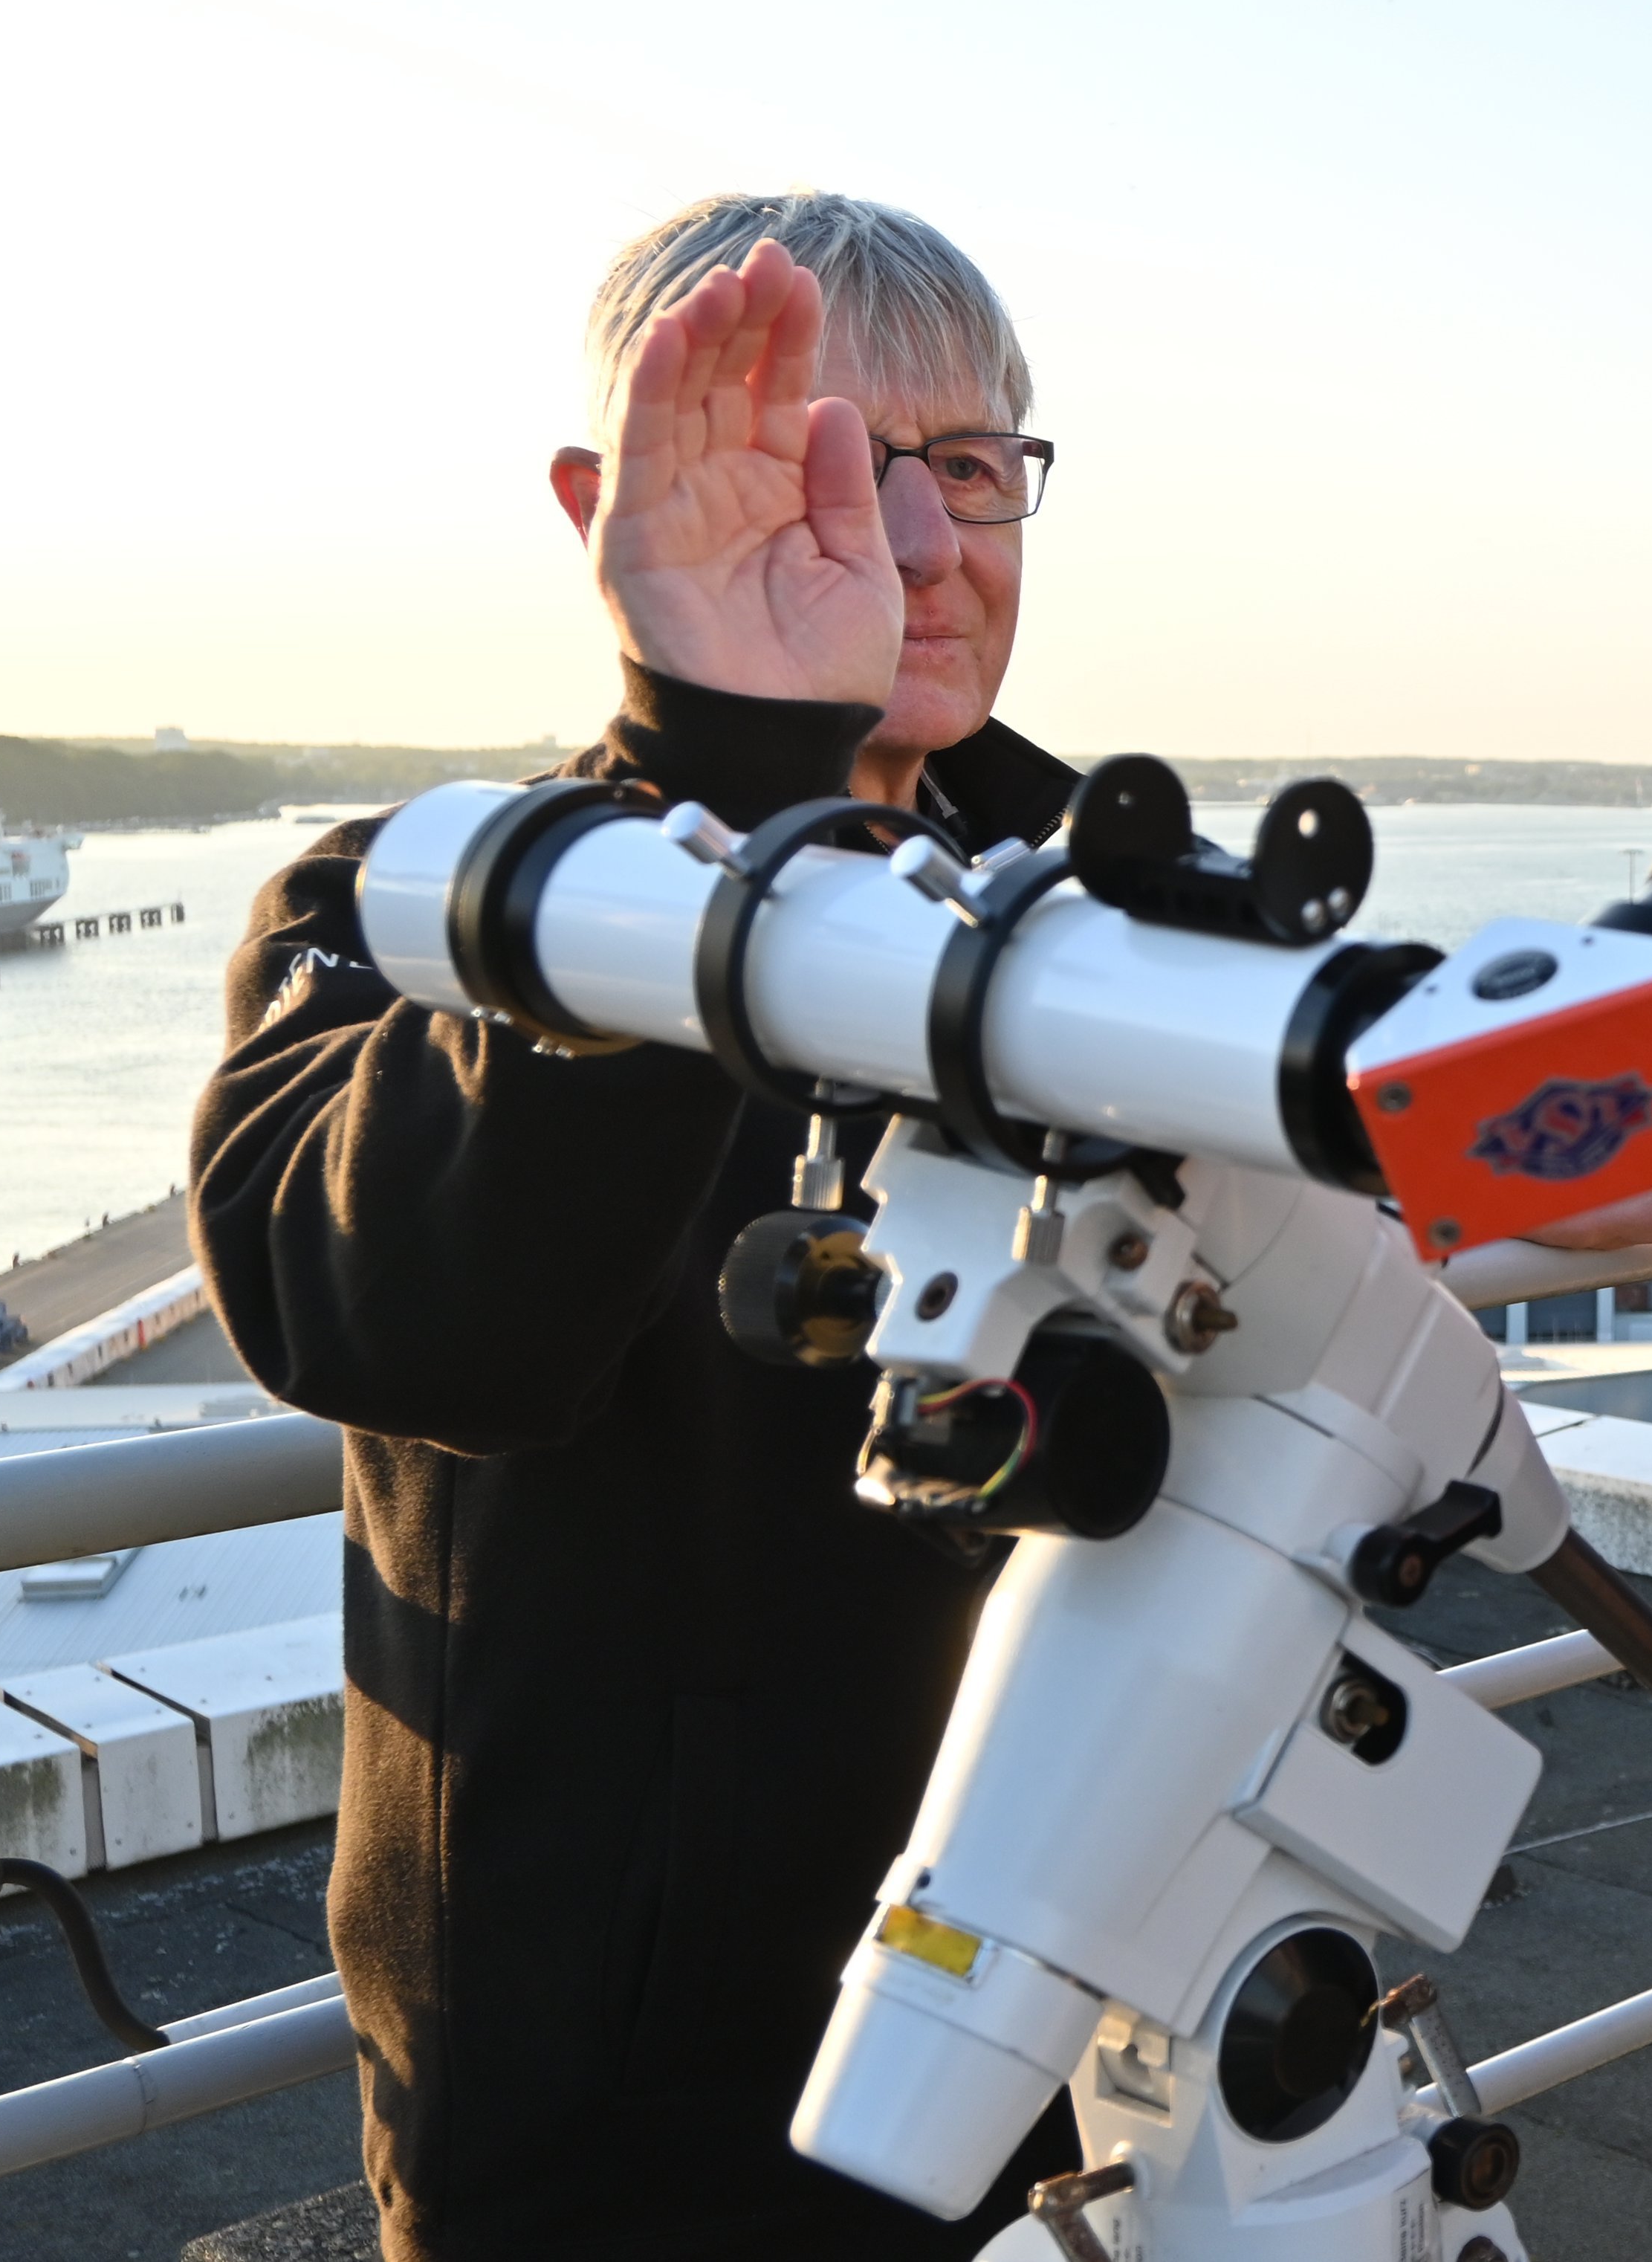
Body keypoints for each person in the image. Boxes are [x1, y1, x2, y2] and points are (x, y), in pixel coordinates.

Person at [189, 198, 1078, 2260]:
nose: (927, 545)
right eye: (837, 462)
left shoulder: (1086, 916)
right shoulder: (424, 906)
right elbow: (390, 1317)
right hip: (631, 2130)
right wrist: (724, 767)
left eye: (974, 465)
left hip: (1067, 2001)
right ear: (609, 509)